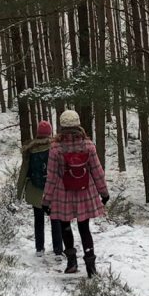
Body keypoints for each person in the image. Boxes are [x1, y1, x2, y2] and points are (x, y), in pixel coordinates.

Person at [42, 109, 109, 276]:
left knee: (65, 226)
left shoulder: (56, 148)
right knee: (84, 228)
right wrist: (104, 192)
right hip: (84, 192)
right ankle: (90, 266)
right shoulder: (88, 146)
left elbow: (51, 176)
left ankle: (71, 262)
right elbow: (97, 171)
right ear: (79, 125)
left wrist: (46, 200)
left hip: (62, 193)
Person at [17, 120, 64, 259]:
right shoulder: (55, 149)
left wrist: (18, 193)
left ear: (38, 133)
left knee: (38, 219)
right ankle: (57, 250)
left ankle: (39, 248)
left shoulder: (29, 150)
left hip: (35, 190)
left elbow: (23, 172)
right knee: (55, 219)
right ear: (49, 133)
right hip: (53, 190)